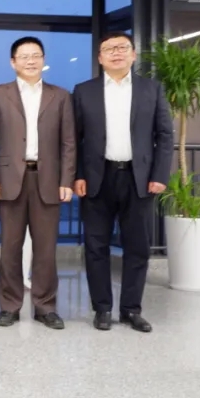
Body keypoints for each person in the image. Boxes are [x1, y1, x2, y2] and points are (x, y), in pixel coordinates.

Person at [72, 32, 173, 333]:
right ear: (100, 57)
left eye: (122, 48)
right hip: (97, 178)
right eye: (109, 49)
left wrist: (159, 175)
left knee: (137, 247)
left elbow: (165, 135)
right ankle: (102, 308)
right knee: (96, 246)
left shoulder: (151, 89)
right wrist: (78, 174)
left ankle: (131, 309)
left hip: (138, 178)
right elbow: (74, 138)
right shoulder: (84, 91)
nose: (116, 53)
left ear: (133, 54)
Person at [0, 37, 76, 330]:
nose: (31, 61)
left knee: (46, 249)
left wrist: (67, 180)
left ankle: (45, 307)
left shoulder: (60, 96)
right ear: (13, 62)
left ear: (43, 60)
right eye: (24, 56)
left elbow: (69, 142)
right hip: (9, 180)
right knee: (10, 247)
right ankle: (9, 306)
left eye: (36, 55)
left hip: (48, 180)